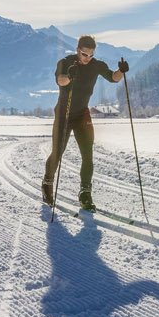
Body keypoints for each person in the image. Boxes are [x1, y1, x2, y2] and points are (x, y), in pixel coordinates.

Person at [42, 35, 128, 211]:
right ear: (77, 50)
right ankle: (47, 183)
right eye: (84, 54)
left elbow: (113, 78)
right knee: (57, 152)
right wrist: (69, 76)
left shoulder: (96, 65)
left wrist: (122, 71)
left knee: (87, 155)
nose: (87, 58)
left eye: (90, 54)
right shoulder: (65, 62)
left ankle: (85, 193)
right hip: (63, 115)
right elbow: (60, 80)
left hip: (82, 114)